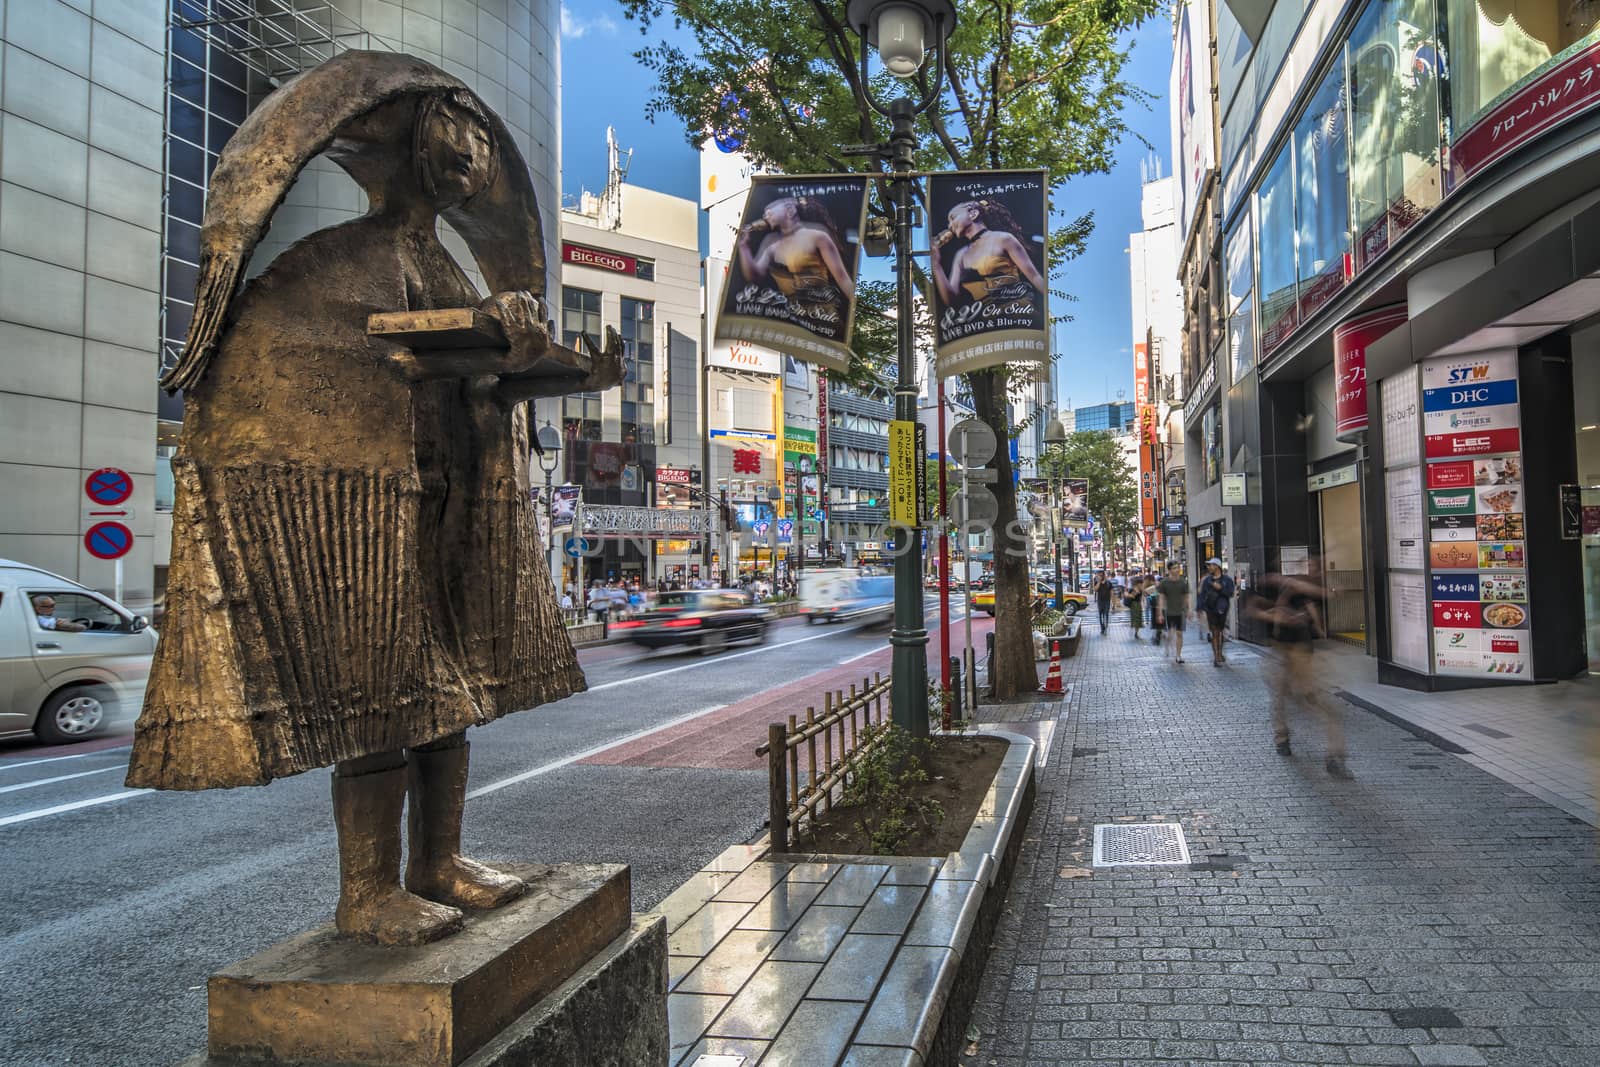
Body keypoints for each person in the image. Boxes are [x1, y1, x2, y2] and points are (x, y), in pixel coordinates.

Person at [1249, 557, 1350, 779]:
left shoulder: (1301, 589)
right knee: (1280, 699)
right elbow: (1254, 609)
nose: (1314, 570)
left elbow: (1313, 602)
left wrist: (1316, 624)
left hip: (1301, 652)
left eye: (1317, 566)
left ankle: (1334, 755)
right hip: (1280, 652)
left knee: (1315, 702)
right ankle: (1282, 737)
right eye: (1312, 566)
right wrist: (1278, 616)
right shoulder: (1277, 588)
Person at [930, 199, 1049, 307]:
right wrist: (936, 265)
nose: (950, 225)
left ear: (973, 214)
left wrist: (1049, 304)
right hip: (984, 322)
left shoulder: (1003, 239)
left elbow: (1034, 276)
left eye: (953, 218)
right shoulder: (961, 255)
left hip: (1015, 314)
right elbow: (951, 300)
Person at [1195, 559, 1235, 666]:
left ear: (1217, 566)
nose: (1209, 567)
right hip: (1210, 609)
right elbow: (1202, 595)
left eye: (1211, 565)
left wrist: (1221, 588)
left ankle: (1219, 653)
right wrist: (1199, 608)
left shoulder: (1227, 580)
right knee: (1214, 632)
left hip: (1222, 609)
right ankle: (1216, 656)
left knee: (1220, 631)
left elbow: (1231, 593)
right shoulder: (1207, 580)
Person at [1155, 563, 1190, 663]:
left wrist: (1188, 610)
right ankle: (1167, 642)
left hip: (1180, 612)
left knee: (1179, 633)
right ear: (1169, 570)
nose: (1177, 570)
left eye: (1178, 567)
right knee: (1171, 633)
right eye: (1174, 568)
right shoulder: (1164, 583)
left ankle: (1178, 656)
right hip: (1169, 612)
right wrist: (1160, 613)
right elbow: (1161, 598)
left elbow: (1186, 597)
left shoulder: (1183, 582)